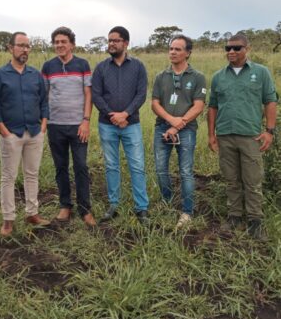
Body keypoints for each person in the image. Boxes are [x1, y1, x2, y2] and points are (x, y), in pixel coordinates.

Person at [208, 33, 278, 241]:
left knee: (253, 180)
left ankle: (255, 221)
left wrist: (270, 131)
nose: (231, 52)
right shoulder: (219, 76)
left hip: (251, 136)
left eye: (236, 48)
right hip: (225, 135)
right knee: (231, 180)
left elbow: (270, 101)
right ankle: (234, 217)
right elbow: (212, 106)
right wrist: (211, 134)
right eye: (227, 48)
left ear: (247, 49)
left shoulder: (261, 72)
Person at [0, 32, 50, 236]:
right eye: (21, 45)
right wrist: (4, 131)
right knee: (8, 177)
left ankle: (32, 213)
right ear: (10, 48)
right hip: (11, 134)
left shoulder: (36, 75)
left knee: (32, 175)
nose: (25, 50)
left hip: (34, 132)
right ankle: (8, 219)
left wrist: (43, 125)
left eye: (28, 46)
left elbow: (44, 101)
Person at [92, 26, 149, 224]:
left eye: (115, 40)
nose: (111, 44)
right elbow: (96, 95)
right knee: (111, 166)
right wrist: (112, 115)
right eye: (109, 40)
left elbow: (141, 94)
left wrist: (125, 114)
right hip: (107, 125)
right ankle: (114, 205)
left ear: (125, 43)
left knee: (137, 166)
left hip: (131, 124)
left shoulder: (138, 66)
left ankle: (141, 208)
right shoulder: (101, 68)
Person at [41, 27, 96, 227]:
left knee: (81, 166)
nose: (60, 45)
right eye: (56, 42)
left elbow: (88, 94)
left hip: (78, 126)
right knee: (60, 166)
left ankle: (85, 209)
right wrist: (45, 121)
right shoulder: (48, 67)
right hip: (55, 125)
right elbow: (44, 96)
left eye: (63, 41)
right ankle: (65, 205)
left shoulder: (82, 64)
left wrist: (86, 121)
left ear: (71, 44)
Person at [152, 35, 206, 228]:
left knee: (185, 171)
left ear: (188, 53)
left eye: (177, 49)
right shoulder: (161, 76)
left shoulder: (197, 77)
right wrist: (169, 121)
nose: (173, 52)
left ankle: (187, 211)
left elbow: (198, 106)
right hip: (162, 128)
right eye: (171, 49)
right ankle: (167, 202)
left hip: (186, 130)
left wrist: (177, 125)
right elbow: (155, 104)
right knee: (160, 170)